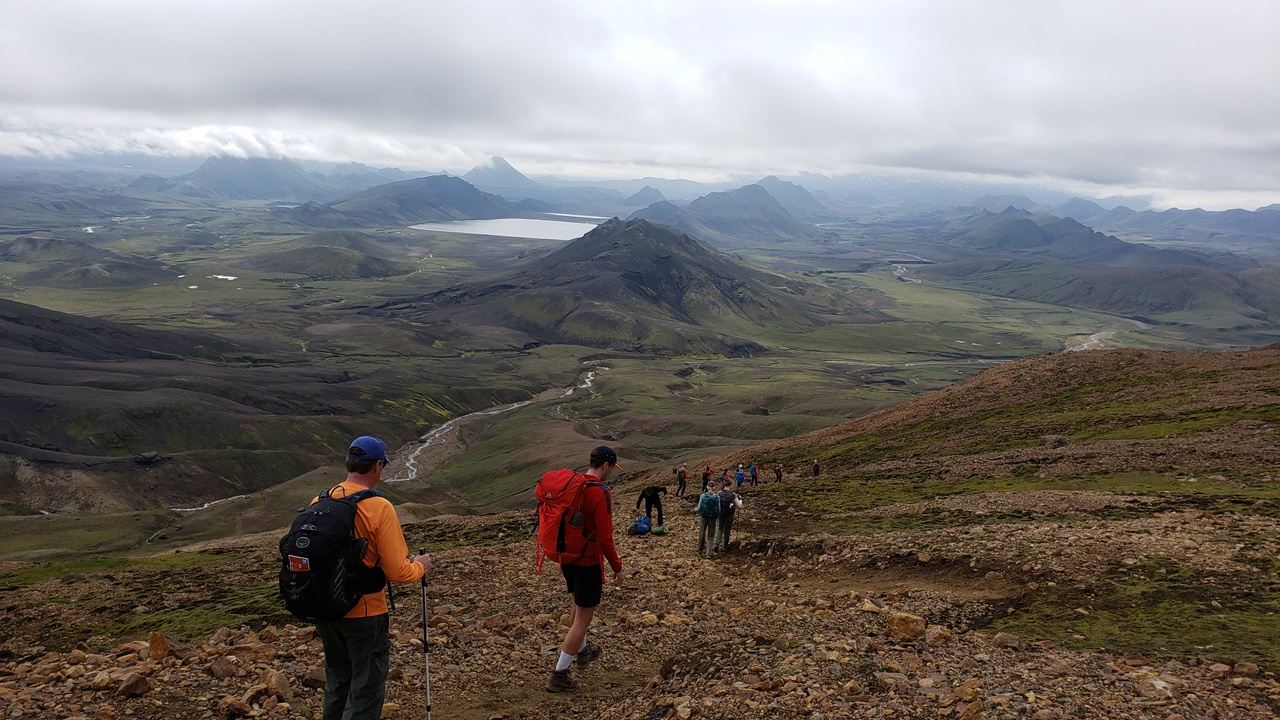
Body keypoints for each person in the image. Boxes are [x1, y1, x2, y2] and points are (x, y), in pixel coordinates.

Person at [316, 436, 432, 720]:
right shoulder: (379, 507)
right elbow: (398, 572)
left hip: (325, 608)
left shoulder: (320, 500)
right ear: (378, 466)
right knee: (365, 689)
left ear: (349, 463)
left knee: (338, 683)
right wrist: (420, 567)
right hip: (365, 612)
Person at [548, 446, 623, 693]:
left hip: (568, 558)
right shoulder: (599, 492)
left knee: (576, 607)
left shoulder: (576, 486)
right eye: (611, 468)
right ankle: (559, 675)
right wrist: (617, 567)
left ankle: (583, 651)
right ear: (605, 466)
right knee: (583, 618)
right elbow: (605, 537)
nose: (611, 472)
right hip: (588, 561)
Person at [694, 483, 721, 559]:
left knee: (702, 532)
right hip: (713, 518)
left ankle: (700, 549)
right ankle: (708, 553)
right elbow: (719, 509)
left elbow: (699, 509)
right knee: (711, 535)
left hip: (704, 517)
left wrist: (694, 509)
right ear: (715, 487)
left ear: (707, 487)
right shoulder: (717, 497)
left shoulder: (703, 496)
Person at [715, 479, 743, 553]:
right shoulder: (733, 495)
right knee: (727, 530)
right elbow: (739, 506)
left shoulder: (719, 493)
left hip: (720, 514)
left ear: (724, 485)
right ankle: (725, 546)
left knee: (720, 529)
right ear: (730, 485)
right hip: (729, 515)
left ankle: (716, 544)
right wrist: (740, 499)